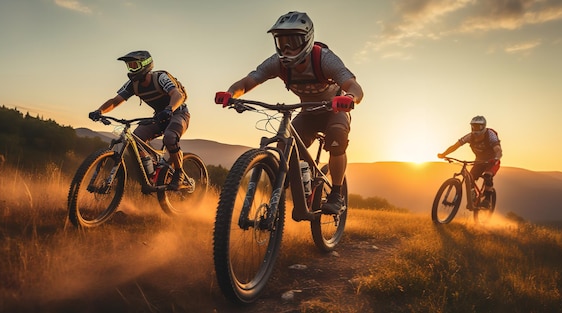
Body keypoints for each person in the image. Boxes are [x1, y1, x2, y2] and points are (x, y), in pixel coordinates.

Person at [214, 11, 364, 216]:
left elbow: (354, 86)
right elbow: (248, 81)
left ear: (307, 40)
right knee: (284, 151)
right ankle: (286, 199)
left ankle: (336, 193)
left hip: (335, 110)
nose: (286, 48)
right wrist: (231, 93)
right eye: (281, 41)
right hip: (308, 114)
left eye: (292, 41)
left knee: (337, 139)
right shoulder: (277, 63)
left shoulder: (324, 60)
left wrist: (349, 98)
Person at [89, 50, 191, 190]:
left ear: (145, 65)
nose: (131, 69)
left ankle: (178, 172)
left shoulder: (160, 77)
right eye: (129, 66)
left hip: (178, 113)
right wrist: (99, 111)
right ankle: (152, 172)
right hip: (159, 116)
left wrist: (169, 109)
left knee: (170, 137)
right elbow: (115, 100)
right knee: (136, 140)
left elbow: (177, 94)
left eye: (134, 65)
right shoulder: (133, 84)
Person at [437, 115, 502, 207]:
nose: (475, 129)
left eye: (478, 126)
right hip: (479, 161)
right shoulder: (470, 136)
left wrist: (496, 159)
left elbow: (498, 150)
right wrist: (444, 154)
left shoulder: (490, 135)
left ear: (483, 127)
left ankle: (487, 199)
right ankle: (473, 197)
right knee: (470, 178)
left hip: (492, 161)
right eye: (473, 126)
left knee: (488, 175)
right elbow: (455, 146)